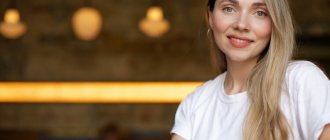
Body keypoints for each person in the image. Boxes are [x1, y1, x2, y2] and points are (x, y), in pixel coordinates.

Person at [171, 0, 330, 139]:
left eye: (260, 13)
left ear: (275, 23)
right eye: (229, 8)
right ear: (210, 16)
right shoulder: (196, 103)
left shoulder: (302, 81)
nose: (241, 24)